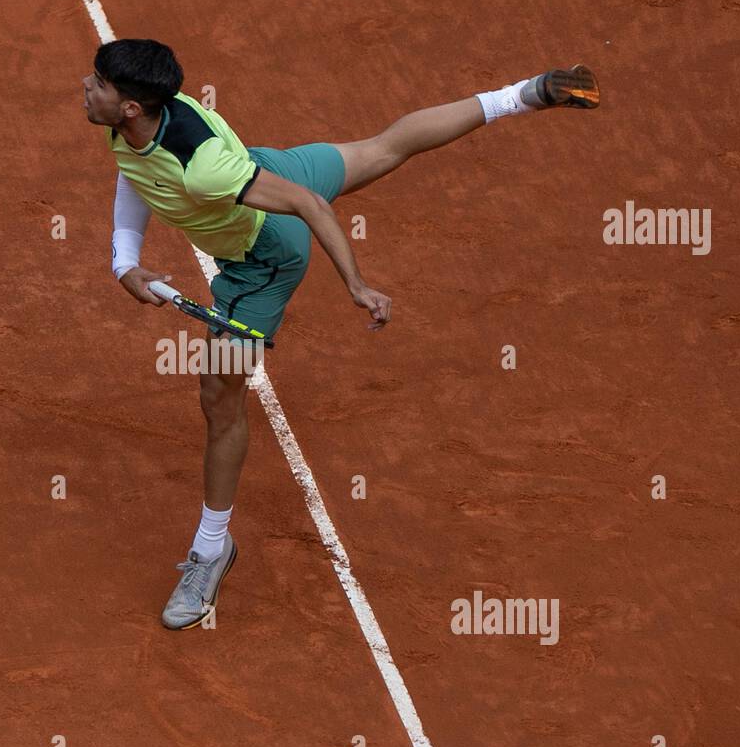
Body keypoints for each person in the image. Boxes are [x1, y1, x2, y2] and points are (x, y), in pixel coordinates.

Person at [82, 39, 599, 629]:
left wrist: (355, 284)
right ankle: (523, 95)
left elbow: (304, 206)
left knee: (220, 401)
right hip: (267, 166)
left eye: (98, 83)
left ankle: (210, 550)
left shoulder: (202, 170)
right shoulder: (131, 124)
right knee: (384, 147)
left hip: (263, 261)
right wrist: (125, 261)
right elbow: (137, 171)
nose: (86, 86)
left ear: (130, 107)